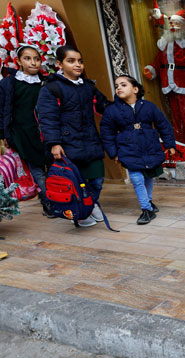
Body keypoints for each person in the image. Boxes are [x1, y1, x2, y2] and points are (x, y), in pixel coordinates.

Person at [36, 45, 111, 227]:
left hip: (90, 141)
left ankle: (90, 204)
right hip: (67, 144)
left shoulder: (88, 87)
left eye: (80, 61)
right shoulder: (51, 89)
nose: (77, 65)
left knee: (97, 180)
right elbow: (47, 118)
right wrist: (54, 143)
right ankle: (80, 214)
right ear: (60, 64)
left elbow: (105, 106)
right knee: (74, 182)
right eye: (71, 61)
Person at [100, 75, 176, 225]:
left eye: (123, 85)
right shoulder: (112, 111)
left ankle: (148, 202)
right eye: (116, 86)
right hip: (128, 148)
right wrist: (113, 153)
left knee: (148, 175)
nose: (118, 88)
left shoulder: (149, 106)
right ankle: (146, 209)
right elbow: (107, 133)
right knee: (136, 178)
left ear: (135, 89)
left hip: (149, 146)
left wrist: (169, 144)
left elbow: (163, 124)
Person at [0, 44, 54, 218]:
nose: (33, 63)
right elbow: (2, 111)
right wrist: (4, 135)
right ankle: (48, 203)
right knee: (37, 170)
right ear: (18, 62)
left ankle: (59, 197)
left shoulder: (46, 82)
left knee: (53, 167)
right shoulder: (9, 83)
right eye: (28, 58)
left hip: (45, 132)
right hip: (23, 134)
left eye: (37, 59)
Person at [143, 10, 185, 146]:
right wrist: (151, 70)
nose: (172, 26)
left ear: (184, 25)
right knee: (176, 119)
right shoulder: (165, 45)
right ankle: (181, 146)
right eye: (171, 23)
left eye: (176, 23)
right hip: (170, 87)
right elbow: (158, 62)